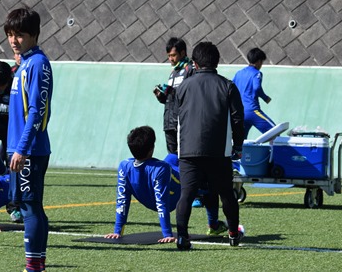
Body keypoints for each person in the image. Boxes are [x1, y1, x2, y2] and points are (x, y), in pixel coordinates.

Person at [174, 42, 245, 250]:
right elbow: (238, 120)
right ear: (217, 62)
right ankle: (233, 234)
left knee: (186, 195)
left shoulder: (183, 87)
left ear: (194, 63)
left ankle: (182, 237)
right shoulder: (228, 86)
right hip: (218, 151)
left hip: (188, 150)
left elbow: (175, 119)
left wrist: (176, 146)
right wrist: (238, 146)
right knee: (226, 194)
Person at [104, 126, 228, 242]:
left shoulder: (124, 165)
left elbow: (122, 199)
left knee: (172, 157)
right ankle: (214, 225)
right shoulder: (161, 168)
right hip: (179, 187)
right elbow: (161, 202)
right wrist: (167, 234)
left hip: (170, 178)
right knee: (208, 182)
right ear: (152, 148)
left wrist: (117, 231)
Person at [4, 7, 53, 272]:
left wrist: (22, 149)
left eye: (20, 35)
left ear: (34, 34)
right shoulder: (25, 63)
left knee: (30, 207)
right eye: (10, 34)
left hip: (29, 150)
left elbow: (37, 110)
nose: (14, 40)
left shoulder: (37, 64)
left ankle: (33, 266)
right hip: (21, 148)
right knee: (30, 205)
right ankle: (38, 263)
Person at [153, 37, 194, 155]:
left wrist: (173, 92)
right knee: (172, 157)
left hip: (183, 123)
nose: (171, 59)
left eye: (173, 55)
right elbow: (170, 99)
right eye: (169, 56)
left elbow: (192, 96)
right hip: (169, 123)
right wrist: (161, 96)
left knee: (184, 155)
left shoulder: (190, 70)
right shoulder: (173, 73)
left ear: (183, 53)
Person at [233, 48, 276, 139]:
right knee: (275, 133)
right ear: (259, 61)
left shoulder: (239, 73)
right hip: (252, 111)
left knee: (240, 141)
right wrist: (265, 98)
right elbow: (257, 88)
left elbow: (231, 89)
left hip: (239, 113)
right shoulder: (257, 73)